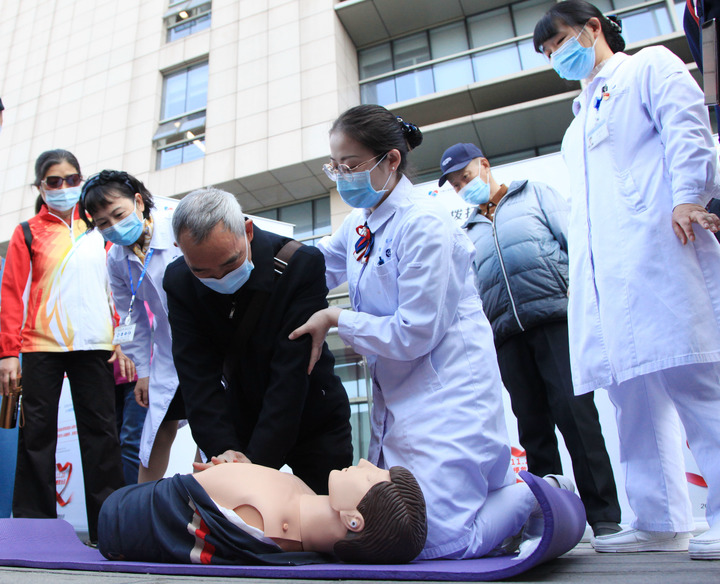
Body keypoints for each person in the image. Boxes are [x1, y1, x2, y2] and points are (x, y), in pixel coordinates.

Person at [290, 104, 548, 559]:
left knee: (439, 542)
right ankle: (506, 500)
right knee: (401, 531)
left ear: (391, 160)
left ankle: (539, 493)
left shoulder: (425, 222)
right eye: (336, 167)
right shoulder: (360, 222)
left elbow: (414, 332)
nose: (343, 176)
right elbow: (317, 266)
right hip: (401, 395)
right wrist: (257, 254)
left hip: (446, 391)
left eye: (351, 165)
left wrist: (336, 318)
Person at [534, 0, 720, 559]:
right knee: (631, 397)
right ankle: (659, 519)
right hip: (608, 278)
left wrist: (689, 194)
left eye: (560, 42)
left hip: (664, 248)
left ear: (593, 28)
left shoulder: (648, 67)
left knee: (695, 380)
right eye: (548, 52)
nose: (556, 56)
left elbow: (687, 127)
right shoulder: (576, 124)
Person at [438, 142, 621, 538]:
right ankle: (552, 521)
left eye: (465, 177)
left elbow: (576, 246)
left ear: (485, 165)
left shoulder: (534, 194)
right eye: (455, 185)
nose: (462, 187)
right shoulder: (467, 233)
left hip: (555, 320)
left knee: (577, 417)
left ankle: (605, 517)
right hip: (507, 336)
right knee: (532, 429)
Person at [163, 187, 353, 495]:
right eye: (202, 271)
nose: (219, 278)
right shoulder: (179, 280)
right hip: (236, 422)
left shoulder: (299, 264)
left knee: (326, 511)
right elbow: (196, 376)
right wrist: (224, 451)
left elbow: (290, 375)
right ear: (180, 250)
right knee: (238, 518)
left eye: (230, 263)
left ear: (247, 231)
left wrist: (256, 465)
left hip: (311, 416)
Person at [0, 149, 126, 544]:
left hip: (97, 344)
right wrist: (8, 353)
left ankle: (110, 528)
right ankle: (34, 530)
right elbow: (11, 294)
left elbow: (117, 285)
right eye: (54, 181)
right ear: (40, 186)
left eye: (72, 179)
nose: (64, 187)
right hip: (41, 345)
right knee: (36, 436)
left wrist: (122, 339)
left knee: (102, 435)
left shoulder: (99, 227)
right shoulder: (27, 232)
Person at [98, 458, 426, 564]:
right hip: (135, 503)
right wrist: (237, 469)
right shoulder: (302, 496)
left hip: (120, 517)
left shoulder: (268, 520)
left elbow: (188, 502)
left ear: (354, 520)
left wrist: (223, 480)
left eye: (370, 477)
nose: (365, 462)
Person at [79, 170, 185, 483]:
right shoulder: (116, 259)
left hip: (208, 340)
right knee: (155, 431)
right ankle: (140, 507)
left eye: (118, 214)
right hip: (166, 350)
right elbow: (132, 318)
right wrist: (144, 372)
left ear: (138, 201)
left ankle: (210, 504)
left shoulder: (177, 225)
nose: (113, 226)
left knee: (213, 428)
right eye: (103, 223)